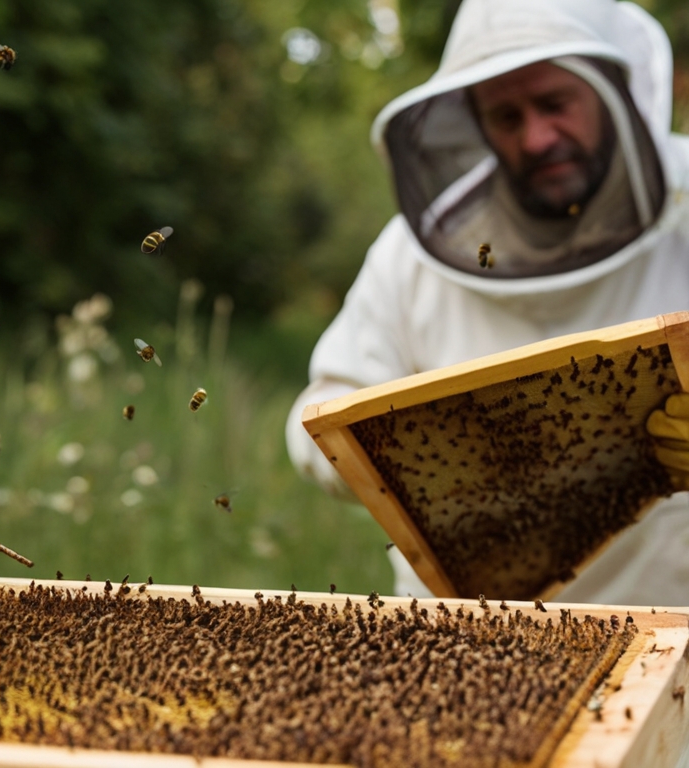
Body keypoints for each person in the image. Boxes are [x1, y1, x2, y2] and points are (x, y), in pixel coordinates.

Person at [285, 0, 689, 604]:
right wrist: (430, 457)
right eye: (506, 115)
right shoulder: (409, 254)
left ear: (607, 91)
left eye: (554, 104)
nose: (537, 137)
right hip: (476, 653)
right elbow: (314, 419)